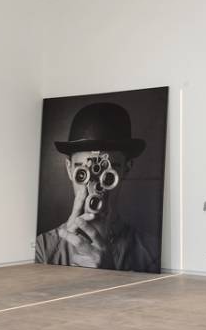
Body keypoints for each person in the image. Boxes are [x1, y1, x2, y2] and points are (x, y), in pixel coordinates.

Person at [35, 102, 158, 272]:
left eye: (108, 176)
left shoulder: (153, 254)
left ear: (126, 169)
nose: (93, 187)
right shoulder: (42, 249)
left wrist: (109, 275)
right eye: (82, 173)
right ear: (69, 169)